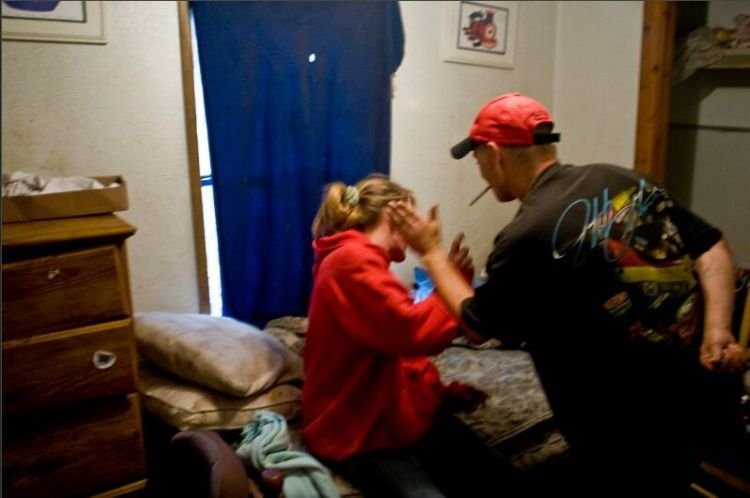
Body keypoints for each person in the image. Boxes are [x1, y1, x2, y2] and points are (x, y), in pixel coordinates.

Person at [386, 93, 746, 496]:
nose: (480, 172)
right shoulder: (623, 177)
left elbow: (474, 326)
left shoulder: (524, 238)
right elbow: (710, 245)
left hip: (624, 429)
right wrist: (718, 330)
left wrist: (432, 251)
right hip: (697, 392)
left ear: (495, 154)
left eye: (477, 161)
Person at [302, 174, 528, 498]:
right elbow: (413, 332)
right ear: (393, 219)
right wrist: (444, 274)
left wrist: (438, 393)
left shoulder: (357, 259)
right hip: (356, 431)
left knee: (500, 478)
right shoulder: (350, 261)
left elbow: (393, 349)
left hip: (389, 416)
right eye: (411, 220)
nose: (413, 233)